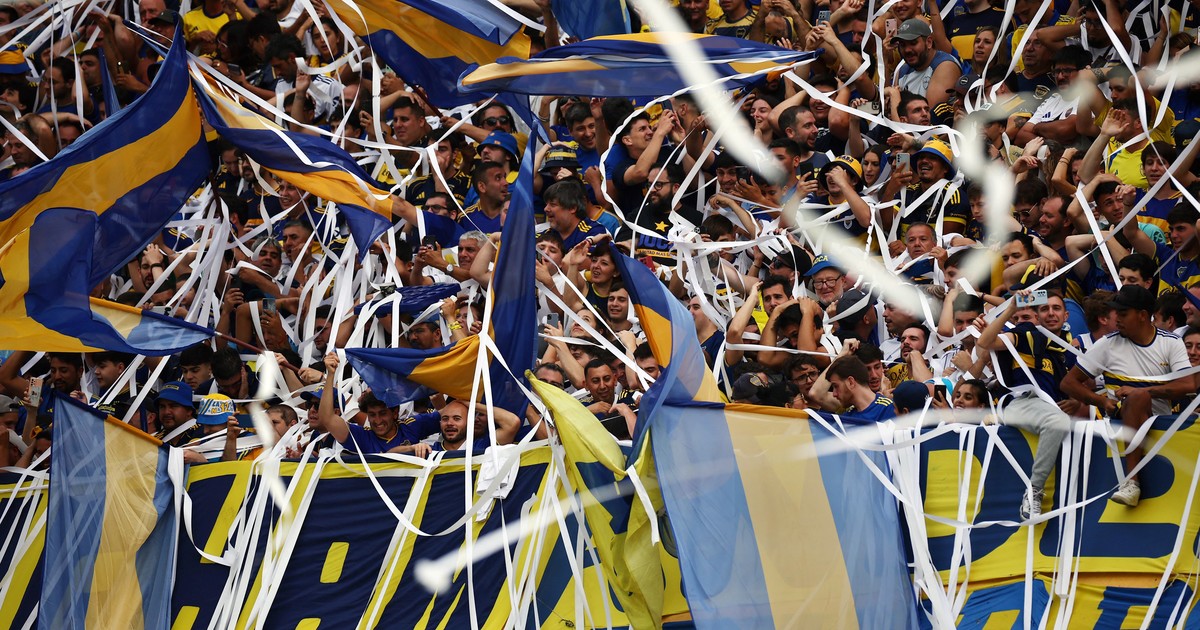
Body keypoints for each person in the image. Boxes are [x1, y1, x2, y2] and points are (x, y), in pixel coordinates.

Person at [1061, 285, 1194, 507]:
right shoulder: (1107, 344)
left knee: (1139, 396)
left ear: (1142, 315)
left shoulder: (1170, 342)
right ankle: (1132, 482)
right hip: (1120, 417)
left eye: (1123, 314)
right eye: (1116, 313)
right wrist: (1102, 400)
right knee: (1137, 398)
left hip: (1161, 423)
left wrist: (1143, 391)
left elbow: (1188, 384)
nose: (1116, 319)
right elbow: (1068, 383)